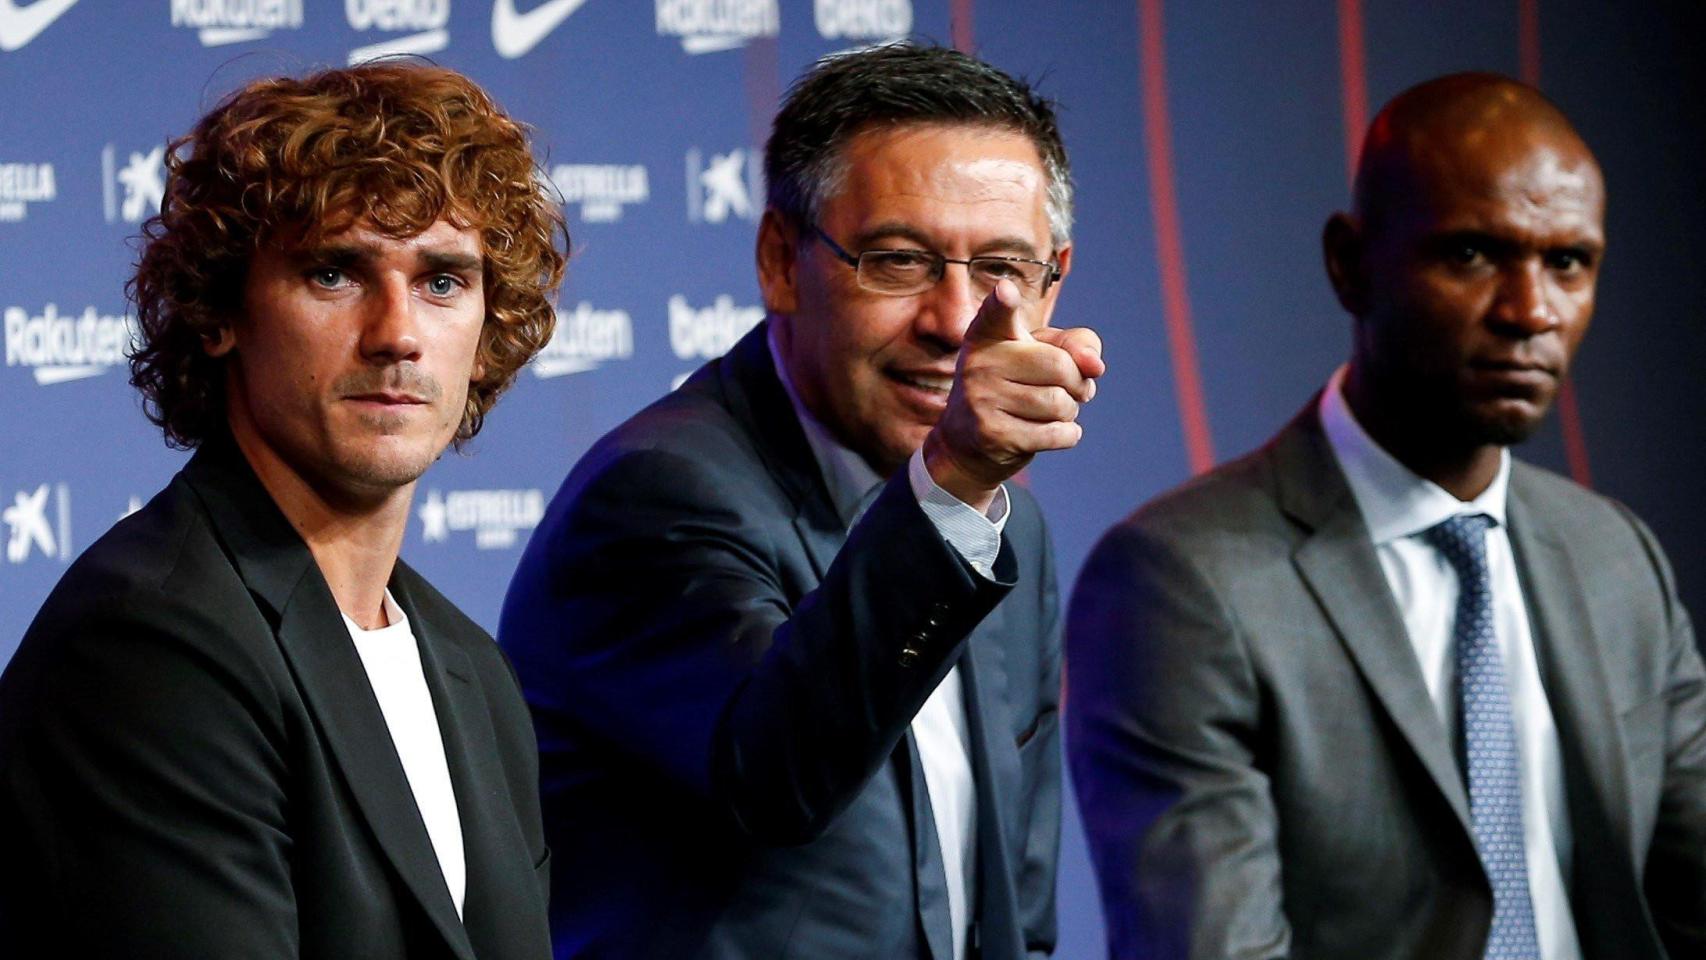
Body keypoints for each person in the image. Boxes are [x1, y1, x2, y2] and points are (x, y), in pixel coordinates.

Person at [1067, 73, 1706, 960]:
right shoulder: (1181, 582)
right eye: (1474, 255)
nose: (1531, 312)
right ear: (1350, 264)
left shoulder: (1617, 557)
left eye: (1569, 262)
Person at [499, 42, 1102, 960]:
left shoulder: (997, 518)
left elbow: (1015, 903)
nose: (953, 321)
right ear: (782, 260)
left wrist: (958, 491)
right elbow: (777, 775)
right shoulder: (659, 494)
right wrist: (952, 486)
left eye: (1002, 269)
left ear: (1054, 277)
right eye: (899, 261)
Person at [0, 62, 569, 959]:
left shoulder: (471, 670)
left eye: (443, 281)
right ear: (222, 311)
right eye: (336, 272)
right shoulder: (151, 645)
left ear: (489, 333)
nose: (397, 332)